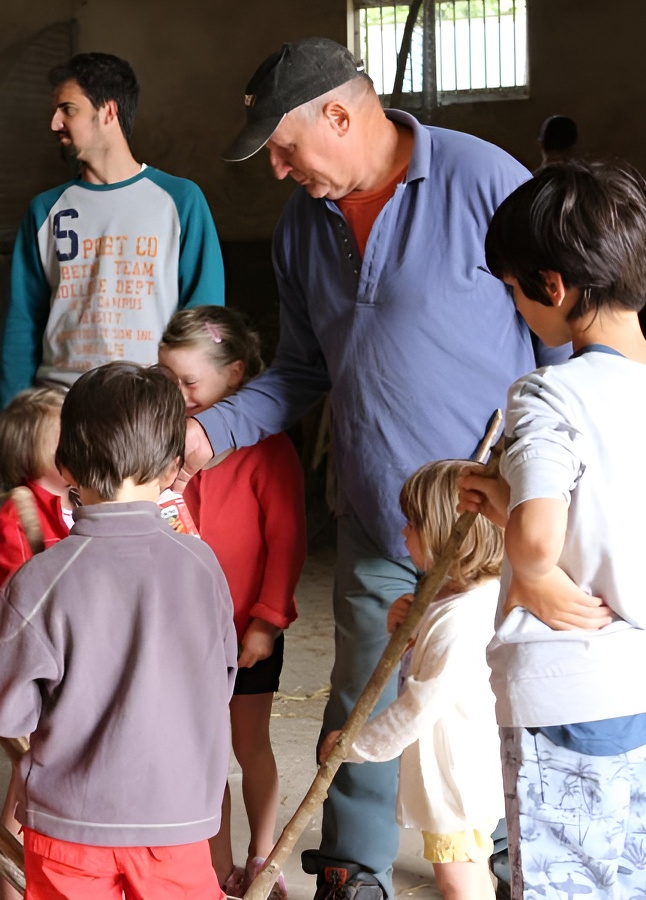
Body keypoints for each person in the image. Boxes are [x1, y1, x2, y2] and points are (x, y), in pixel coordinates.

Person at [182, 37, 568, 899]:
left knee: (504, 689)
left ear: (340, 114)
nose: (278, 171)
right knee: (365, 688)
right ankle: (352, 867)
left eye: (282, 148)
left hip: (498, 520)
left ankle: (517, 854)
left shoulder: (483, 181)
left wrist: (552, 489)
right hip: (378, 509)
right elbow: (300, 370)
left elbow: (561, 340)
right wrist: (213, 434)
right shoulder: (301, 229)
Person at [459, 159, 646, 899]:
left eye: (514, 291)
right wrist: (511, 496)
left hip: (568, 690)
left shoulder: (549, 392)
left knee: (567, 880)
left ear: (552, 286)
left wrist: (535, 574)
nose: (516, 307)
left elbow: (542, 538)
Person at [0, 361, 237, 900]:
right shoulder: (202, 564)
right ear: (171, 469)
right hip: (179, 822)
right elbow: (221, 681)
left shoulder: (42, 579)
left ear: (64, 464)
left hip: (70, 831)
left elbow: (3, 710)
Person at [158, 306, 306, 898]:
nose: (178, 393)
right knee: (205, 750)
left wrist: (267, 623)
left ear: (236, 374)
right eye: (166, 378)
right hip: (186, 631)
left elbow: (287, 541)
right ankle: (217, 870)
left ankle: (261, 857)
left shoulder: (268, 449)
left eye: (188, 382)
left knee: (250, 744)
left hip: (248, 630)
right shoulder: (169, 446)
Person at [321, 460, 505, 900]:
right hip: (468, 764)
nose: (403, 532)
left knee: (457, 879)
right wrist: (411, 622)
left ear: (448, 535)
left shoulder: (459, 618)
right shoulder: (465, 596)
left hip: (456, 771)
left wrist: (355, 744)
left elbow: (421, 704)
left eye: (414, 523)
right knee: (469, 866)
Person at [0, 52, 225, 407]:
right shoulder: (45, 210)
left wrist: (197, 408)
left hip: (148, 401)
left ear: (108, 111)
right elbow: (23, 318)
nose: (55, 122)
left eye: (68, 109)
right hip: (59, 403)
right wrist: (14, 410)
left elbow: (206, 312)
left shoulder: (180, 200)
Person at [0, 383, 73, 900]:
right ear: (32, 451)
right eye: (65, 434)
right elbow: (23, 601)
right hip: (39, 671)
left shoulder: (73, 502)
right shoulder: (19, 515)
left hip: (67, 667)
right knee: (29, 778)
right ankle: (11, 878)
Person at [0, 384, 73, 596]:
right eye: (67, 439)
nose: (82, 445)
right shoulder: (14, 523)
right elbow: (19, 602)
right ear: (30, 450)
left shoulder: (92, 500)